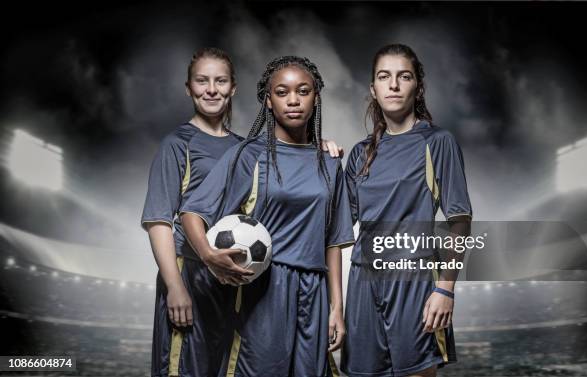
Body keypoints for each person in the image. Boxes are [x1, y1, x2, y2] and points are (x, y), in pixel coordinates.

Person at [141, 47, 346, 376]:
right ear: (268, 100)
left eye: (220, 81)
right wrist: (193, 267)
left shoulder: (319, 162)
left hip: (281, 286)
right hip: (233, 283)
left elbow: (332, 239)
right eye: (282, 92)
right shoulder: (234, 152)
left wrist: (337, 307)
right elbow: (175, 216)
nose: (293, 100)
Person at [340, 44, 472, 377]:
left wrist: (445, 289)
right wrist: (322, 159)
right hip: (362, 281)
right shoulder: (360, 153)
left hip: (412, 280)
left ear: (418, 86)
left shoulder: (437, 142)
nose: (394, 85)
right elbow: (337, 224)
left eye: (404, 76)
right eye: (384, 77)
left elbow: (460, 222)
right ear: (373, 88)